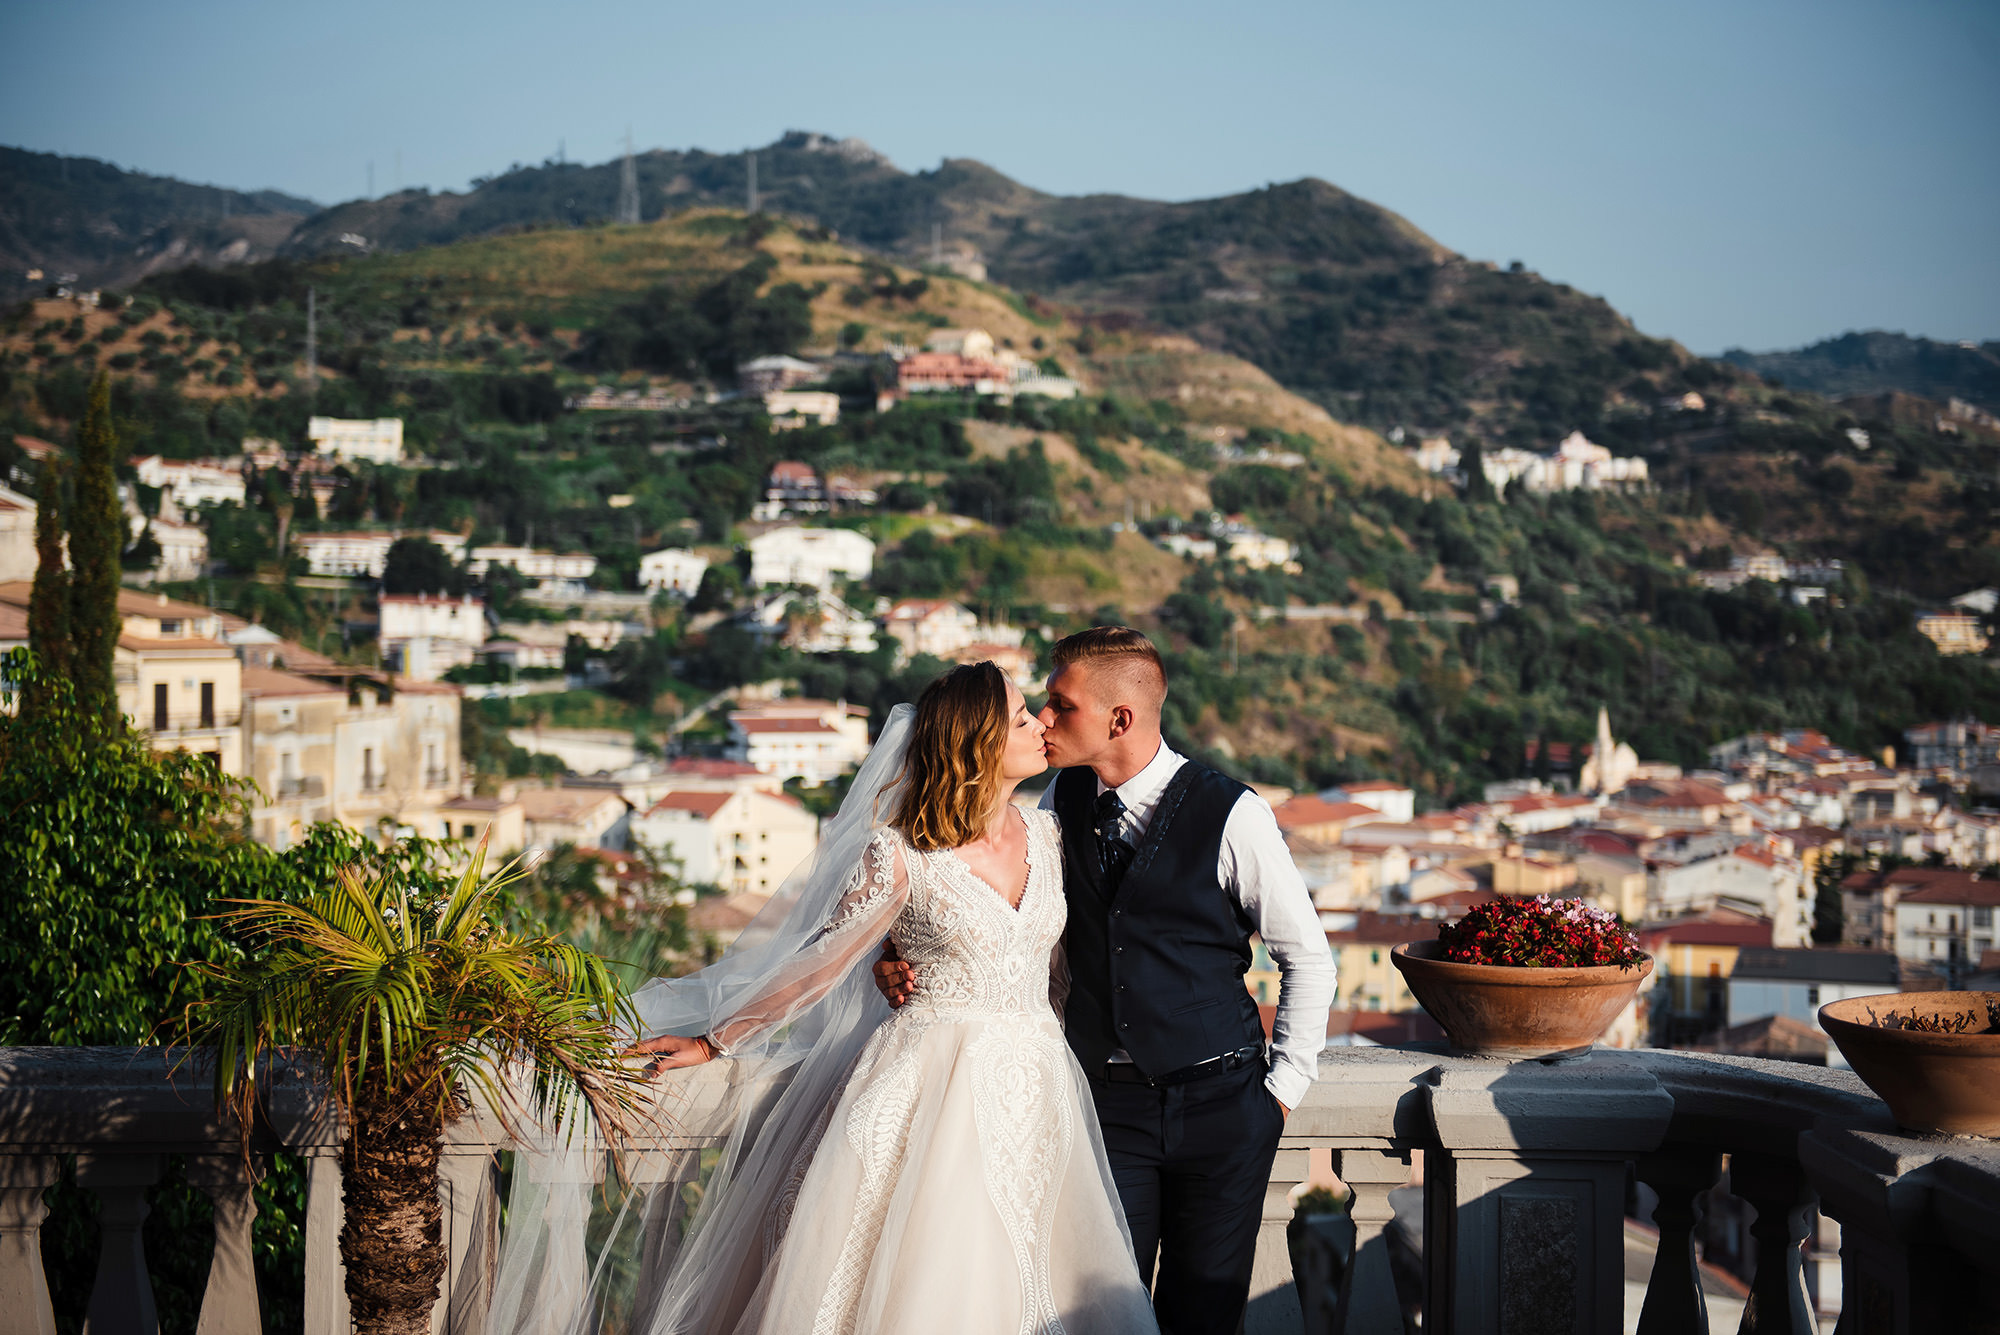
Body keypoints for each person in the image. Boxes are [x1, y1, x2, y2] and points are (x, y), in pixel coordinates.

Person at [627, 662, 1160, 1335]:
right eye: (1023, 716)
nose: (1041, 725)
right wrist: (714, 1039)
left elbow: (1058, 972)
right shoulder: (900, 852)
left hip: (1037, 1093)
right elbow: (816, 965)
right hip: (930, 1093)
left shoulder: (1051, 838)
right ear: (979, 742)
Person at [875, 628, 1337, 1335]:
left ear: (1119, 719)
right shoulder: (1058, 804)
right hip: (1104, 1109)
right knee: (1094, 1310)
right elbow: (968, 893)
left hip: (1223, 1108)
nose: (1044, 721)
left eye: (1060, 706)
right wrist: (894, 948)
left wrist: (1279, 1095)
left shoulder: (1232, 814)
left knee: (1202, 1317)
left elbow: (1307, 955)